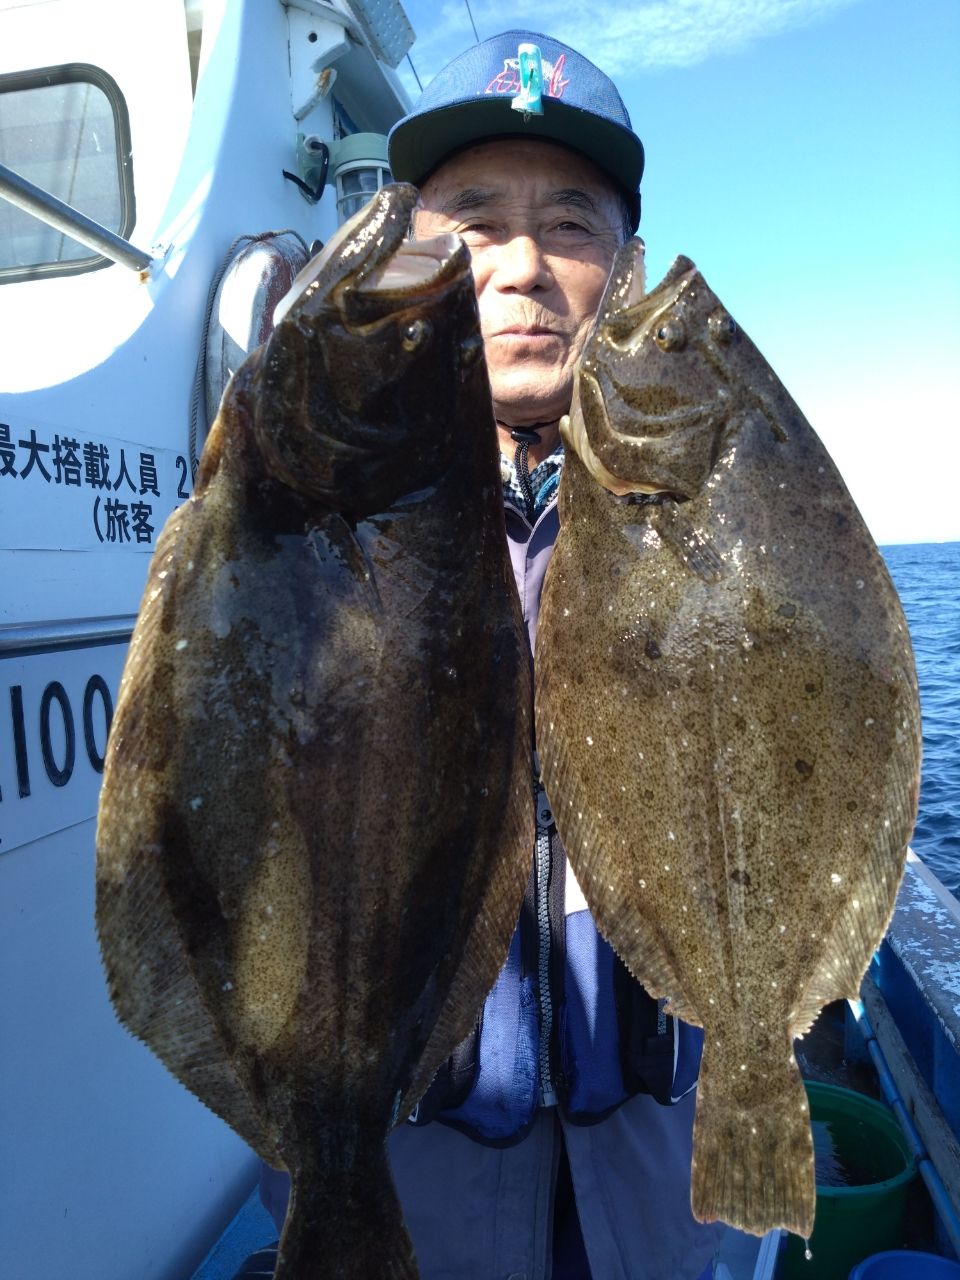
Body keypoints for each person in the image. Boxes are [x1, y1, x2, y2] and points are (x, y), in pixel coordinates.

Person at [259, 30, 726, 1280]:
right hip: (406, 1146)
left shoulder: (714, 494)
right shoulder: (316, 489)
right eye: (471, 219)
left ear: (625, 264)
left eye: (570, 225)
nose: (522, 267)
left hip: (656, 1151)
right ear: (416, 252)